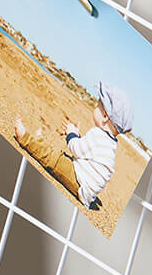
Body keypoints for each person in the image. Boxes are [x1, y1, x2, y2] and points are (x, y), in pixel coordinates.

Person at [13, 80, 134, 211]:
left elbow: (75, 149)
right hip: (87, 189)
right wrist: (78, 136)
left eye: (97, 105)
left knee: (55, 159)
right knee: (62, 157)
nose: (95, 107)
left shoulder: (97, 134)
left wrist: (71, 134)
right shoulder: (110, 143)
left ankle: (25, 138)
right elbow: (87, 153)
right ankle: (39, 141)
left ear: (105, 116)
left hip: (79, 183)